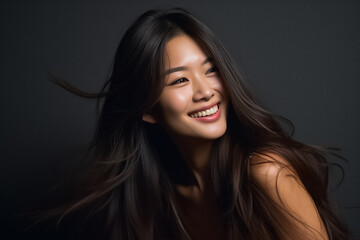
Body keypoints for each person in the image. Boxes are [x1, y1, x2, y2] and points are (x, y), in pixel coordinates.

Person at [49, 7, 349, 240]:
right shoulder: (154, 199)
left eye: (211, 70)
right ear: (147, 108)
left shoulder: (266, 174)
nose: (206, 91)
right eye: (180, 79)